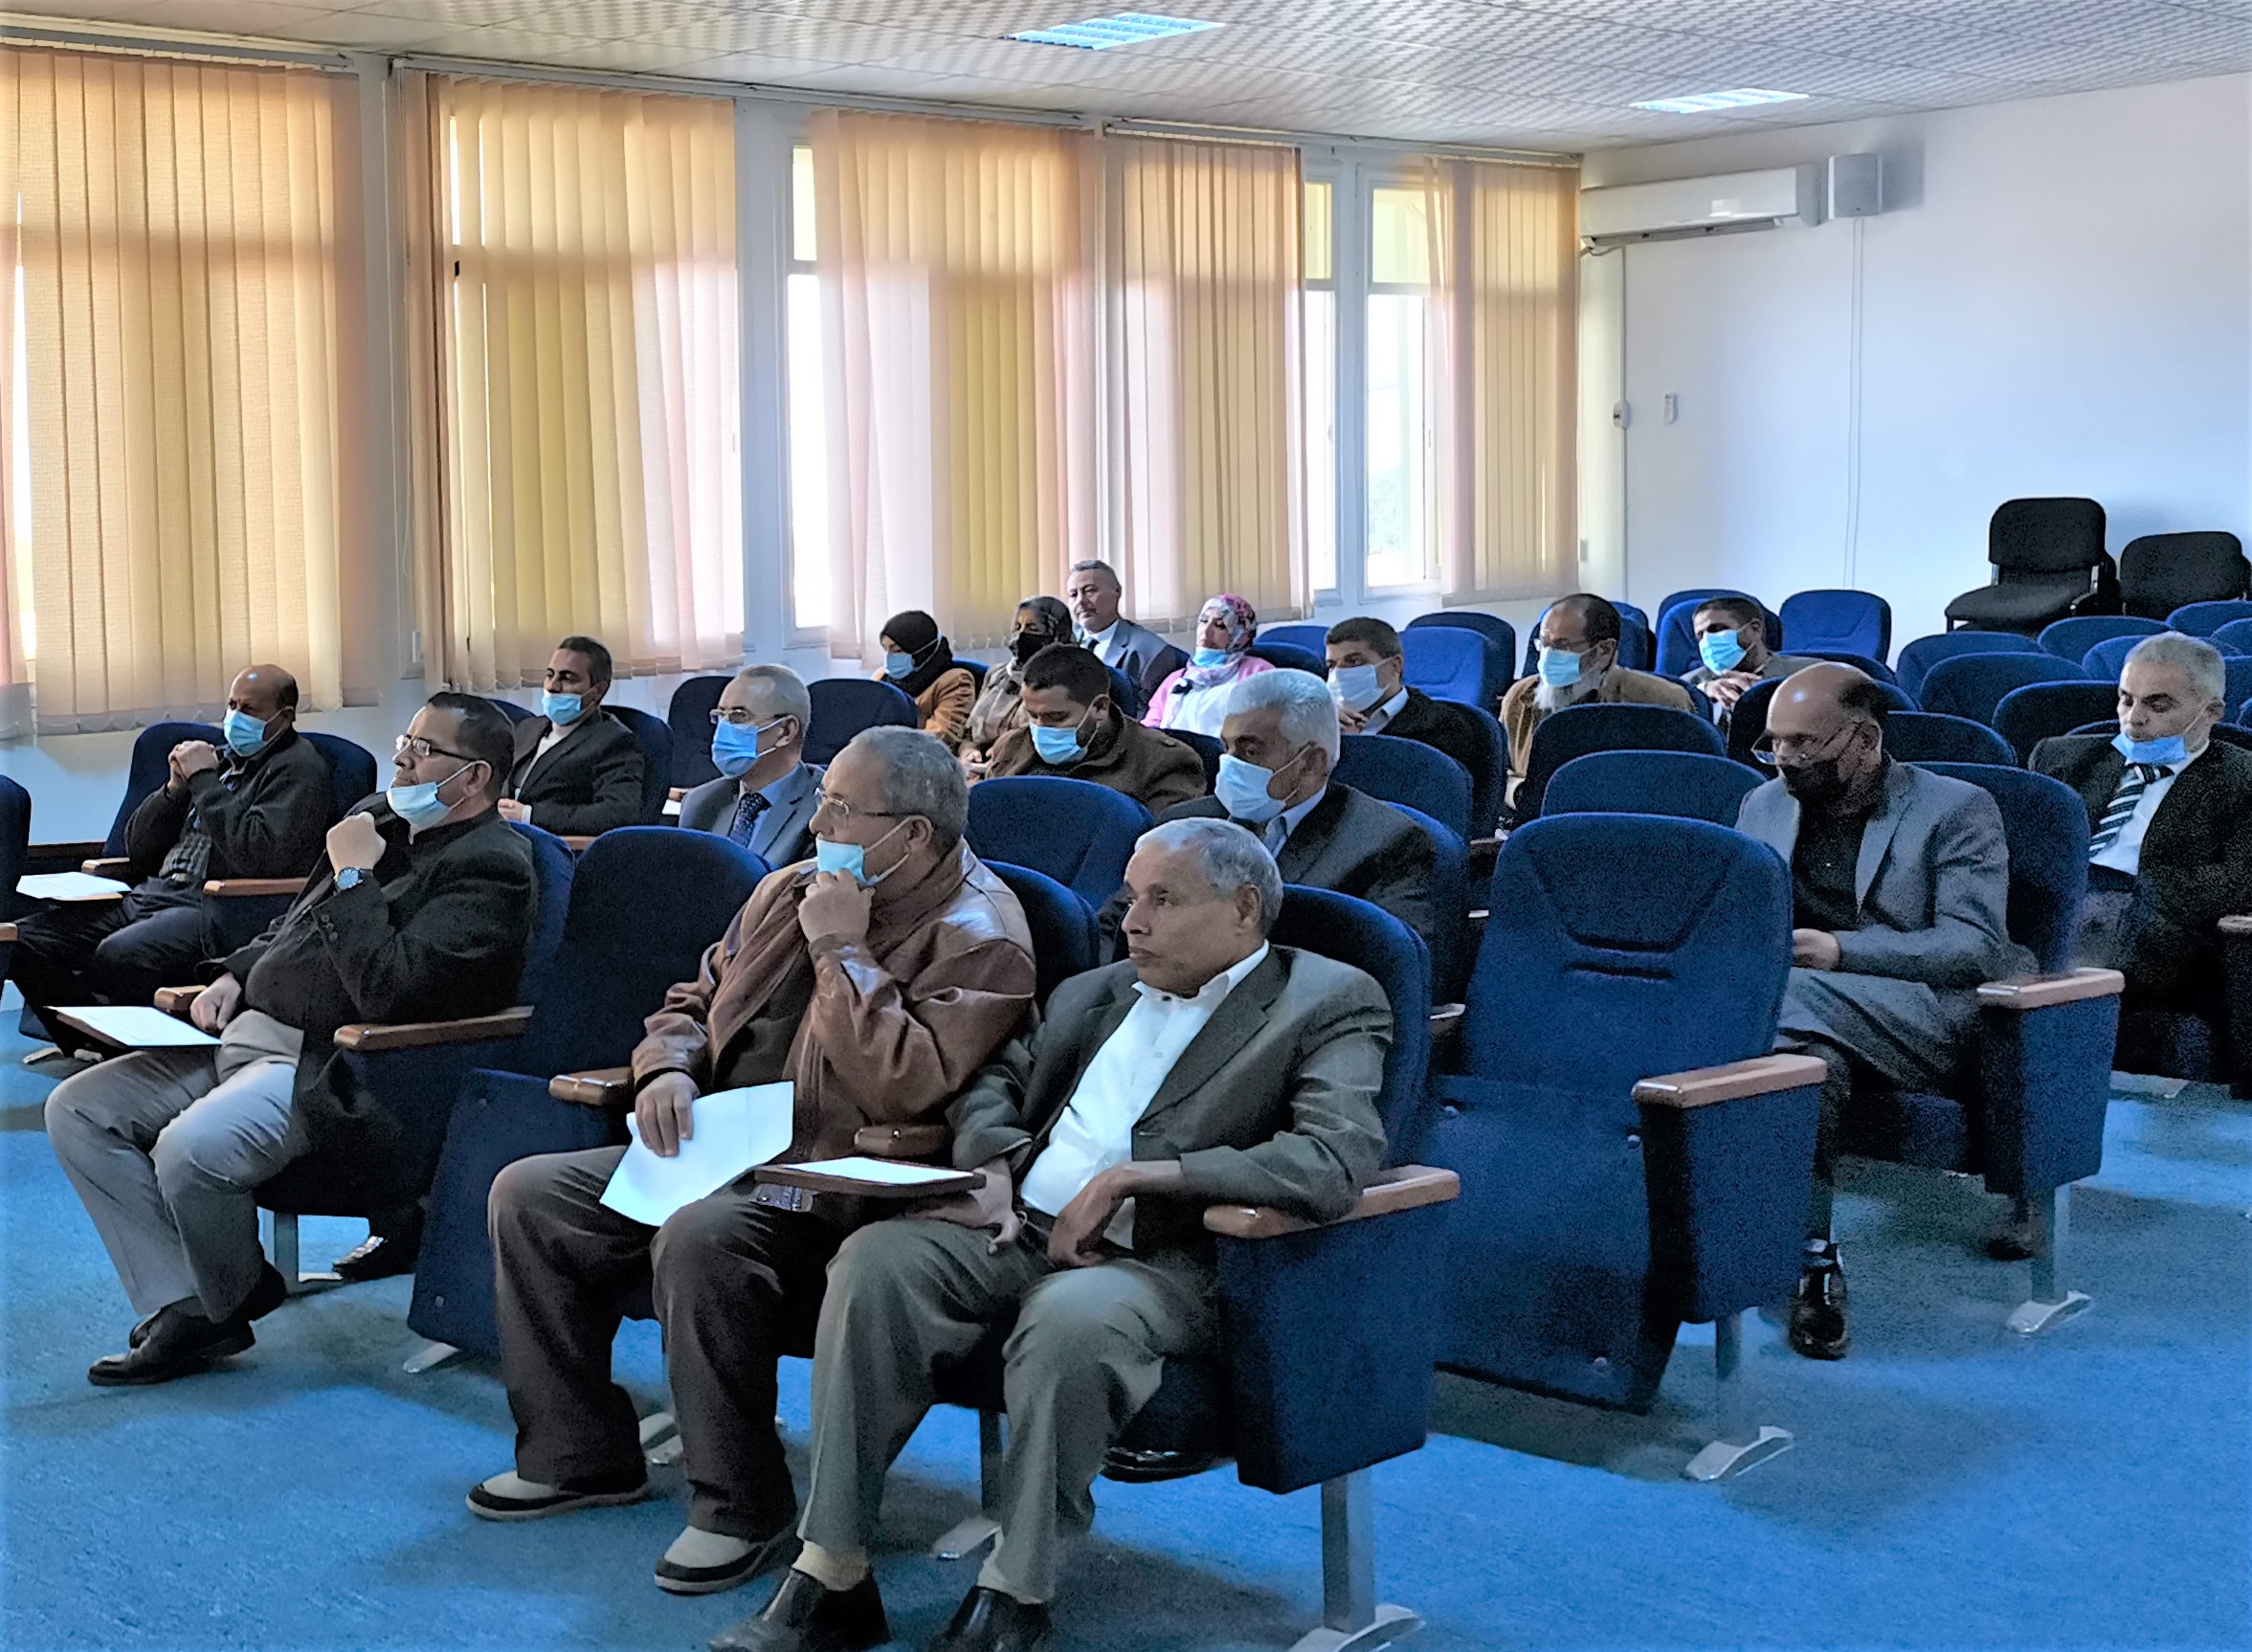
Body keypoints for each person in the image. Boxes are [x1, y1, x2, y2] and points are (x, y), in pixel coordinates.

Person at [714, 818, 1390, 1652]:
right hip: (1019, 1228)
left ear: (1243, 908)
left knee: (1070, 1317)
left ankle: (1016, 1590)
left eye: (1163, 900)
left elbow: (1333, 1158)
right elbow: (994, 1082)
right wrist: (994, 1165)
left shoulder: (1326, 999)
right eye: (1130, 898)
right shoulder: (1094, 992)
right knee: (877, 1261)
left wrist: (1141, 1177)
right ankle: (833, 1568)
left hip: (1166, 1260)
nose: (1132, 922)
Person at [469, 726, 1036, 1604]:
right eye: (824, 800)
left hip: (845, 1180)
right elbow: (693, 999)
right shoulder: (788, 888)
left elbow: (902, 1084)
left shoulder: (979, 933)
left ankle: (740, 1504)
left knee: (702, 1236)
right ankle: (577, 1452)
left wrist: (841, 951)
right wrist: (666, 1068)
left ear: (913, 834)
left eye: (842, 808)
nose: (819, 823)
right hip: (729, 1148)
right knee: (531, 1193)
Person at [43, 695, 537, 1387]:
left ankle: (231, 1294)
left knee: (191, 1150)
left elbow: (392, 991)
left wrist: (356, 877)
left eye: (423, 750)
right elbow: (294, 926)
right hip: (247, 1034)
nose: (401, 758)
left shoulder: (492, 867)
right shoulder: (378, 818)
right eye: (406, 740)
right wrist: (236, 973)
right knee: (77, 1109)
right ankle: (187, 1304)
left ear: (476, 776)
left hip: (330, 1064)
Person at [1736, 664, 2027, 1362]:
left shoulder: (1957, 807)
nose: (1785, 759)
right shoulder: (1762, 804)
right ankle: (1809, 1259)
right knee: (1800, 1063)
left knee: (1774, 1002)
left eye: (1804, 744)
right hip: (1806, 1015)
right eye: (1774, 743)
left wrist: (1839, 951)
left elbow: (1974, 947)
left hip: (1926, 1014)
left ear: (1864, 740)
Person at [10, 665, 334, 1054]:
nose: (235, 717)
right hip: (152, 894)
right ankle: (88, 1043)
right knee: (21, 940)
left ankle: (129, 1051)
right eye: (232, 705)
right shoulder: (222, 760)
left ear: (284, 716)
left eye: (249, 709)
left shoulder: (299, 770)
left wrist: (204, 782)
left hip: (213, 907)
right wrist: (175, 788)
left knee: (122, 955)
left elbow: (257, 855)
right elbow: (138, 849)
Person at [2031, 632, 2252, 1028]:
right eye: (2126, 699)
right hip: (2057, 905)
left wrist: (2129, 895)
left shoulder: (2242, 781)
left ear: (2211, 712)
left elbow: (2236, 880)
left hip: (2153, 923)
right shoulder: (2062, 759)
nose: (2134, 719)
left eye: (2157, 704)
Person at [1159, 669, 1436, 941]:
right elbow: (1135, 920)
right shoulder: (1182, 824)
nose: (1230, 764)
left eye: (1250, 751)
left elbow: (1392, 957)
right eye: (1226, 747)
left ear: (1311, 763)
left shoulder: (1387, 843)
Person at [984, 645, 1206, 815]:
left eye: (1057, 717)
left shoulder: (1163, 762)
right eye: (1033, 716)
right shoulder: (1012, 746)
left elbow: (1161, 851)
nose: (1041, 729)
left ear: (1100, 707)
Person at [1500, 594, 1699, 777]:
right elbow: (1501, 772)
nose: (1547, 655)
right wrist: (1518, 791)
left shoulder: (1659, 702)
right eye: (1544, 644)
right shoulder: (1520, 696)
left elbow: (1682, 779)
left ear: (1604, 650)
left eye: (1561, 645)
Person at [679, 665, 825, 867]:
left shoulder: (822, 808)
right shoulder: (699, 802)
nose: (723, 728)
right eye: (721, 715)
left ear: (785, 731)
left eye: (739, 716)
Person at [1323, 617, 1497, 786]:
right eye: (1332, 665)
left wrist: (1354, 747)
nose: (1338, 674)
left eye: (1354, 661)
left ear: (1395, 665)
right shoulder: (1323, 723)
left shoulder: (1443, 725)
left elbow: (1430, 794)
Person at [503, 636, 647, 836]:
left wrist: (529, 815)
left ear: (598, 690)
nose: (552, 686)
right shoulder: (528, 728)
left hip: (552, 844)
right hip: (501, 835)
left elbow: (616, 813)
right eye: (549, 675)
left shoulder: (615, 742)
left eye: (567, 678)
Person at [960, 597, 1074, 770]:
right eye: (1017, 627)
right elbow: (968, 733)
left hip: (1029, 772)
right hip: (978, 769)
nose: (1021, 635)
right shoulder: (997, 675)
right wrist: (968, 751)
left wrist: (1008, 751)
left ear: (1057, 634)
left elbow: (1056, 743)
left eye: (1033, 628)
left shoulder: (1068, 682)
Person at [1142, 594, 1274, 738]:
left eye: (1220, 625)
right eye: (1203, 621)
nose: (1206, 631)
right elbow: (1149, 731)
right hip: (1174, 750)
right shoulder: (1176, 679)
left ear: (1240, 635)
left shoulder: (1258, 672)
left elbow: (1269, 728)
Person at [1680, 596, 1816, 727]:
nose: (1707, 641)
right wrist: (1702, 693)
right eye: (1700, 635)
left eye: (1717, 629)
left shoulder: (1808, 672)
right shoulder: (1687, 684)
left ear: (1755, 629)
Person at [1065, 559, 1186, 706]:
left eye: (1090, 591)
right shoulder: (1063, 642)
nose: (1080, 601)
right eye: (1073, 595)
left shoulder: (1151, 652)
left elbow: (1148, 714)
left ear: (1117, 591)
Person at [876, 612, 976, 751]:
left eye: (897, 650)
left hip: (915, 758)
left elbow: (939, 739)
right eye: (886, 649)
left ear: (922, 651)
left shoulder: (956, 681)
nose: (889, 658)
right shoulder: (881, 676)